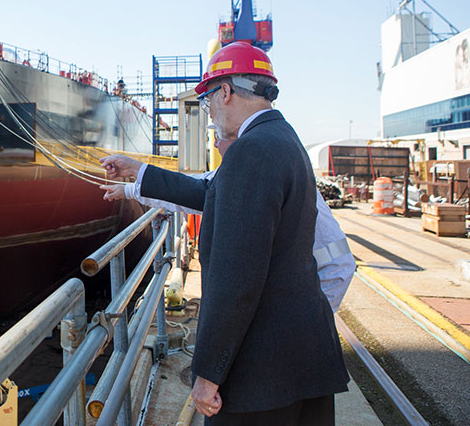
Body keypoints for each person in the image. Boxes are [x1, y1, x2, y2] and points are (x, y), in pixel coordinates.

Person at [101, 42, 349, 424]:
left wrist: (208, 373)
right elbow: (212, 191)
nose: (211, 115)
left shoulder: (251, 153)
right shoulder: (285, 141)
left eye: (209, 103)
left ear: (226, 92)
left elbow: (236, 280)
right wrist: (139, 174)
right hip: (304, 362)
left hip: (262, 376)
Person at [100, 134, 355, 311]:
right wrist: (130, 189)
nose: (217, 146)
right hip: (296, 288)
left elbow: (200, 191)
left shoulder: (260, 170)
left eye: (219, 139)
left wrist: (134, 178)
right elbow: (198, 188)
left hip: (316, 289)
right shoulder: (250, 168)